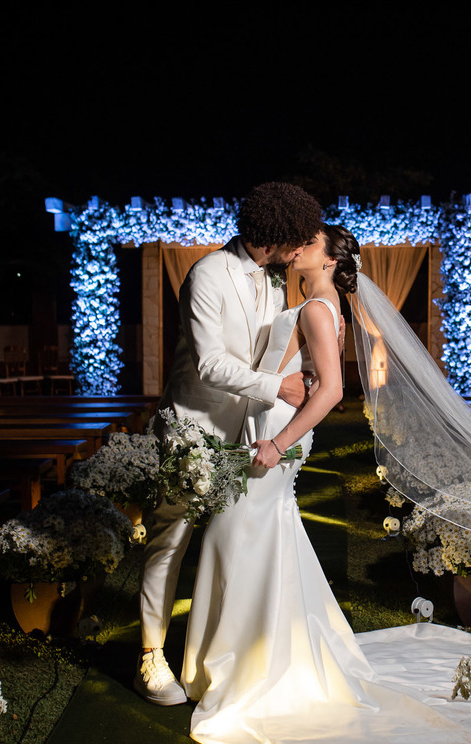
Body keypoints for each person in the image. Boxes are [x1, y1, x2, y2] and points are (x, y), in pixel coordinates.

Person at [180, 224, 471, 744]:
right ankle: (246, 658)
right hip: (274, 424)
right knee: (250, 538)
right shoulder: (318, 303)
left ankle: (245, 668)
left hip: (277, 435)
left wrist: (279, 443)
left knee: (237, 535)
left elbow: (332, 389)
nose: (299, 247)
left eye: (310, 243)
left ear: (330, 260)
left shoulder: (315, 308)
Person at [135, 182, 324, 706]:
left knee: (229, 549)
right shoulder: (207, 274)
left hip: (246, 437)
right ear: (278, 236)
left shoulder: (273, 282)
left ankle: (220, 659)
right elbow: (209, 363)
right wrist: (278, 387)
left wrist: (300, 378)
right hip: (191, 429)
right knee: (169, 545)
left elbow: (270, 352)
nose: (301, 251)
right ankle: (151, 657)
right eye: (297, 240)